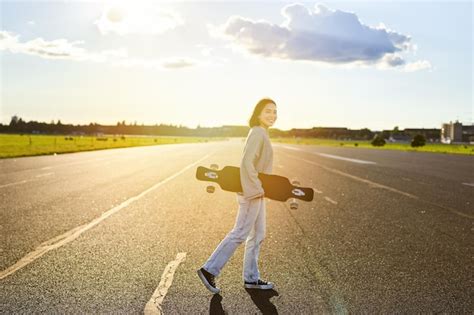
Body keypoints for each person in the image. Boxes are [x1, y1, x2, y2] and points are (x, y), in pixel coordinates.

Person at [197, 98, 277, 294]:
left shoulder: (262, 133)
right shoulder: (258, 132)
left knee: (258, 235)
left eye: (275, 112)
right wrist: (255, 189)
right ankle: (209, 270)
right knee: (240, 232)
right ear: (258, 113)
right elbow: (246, 163)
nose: (272, 115)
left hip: (258, 191)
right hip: (252, 191)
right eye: (268, 111)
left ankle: (251, 278)